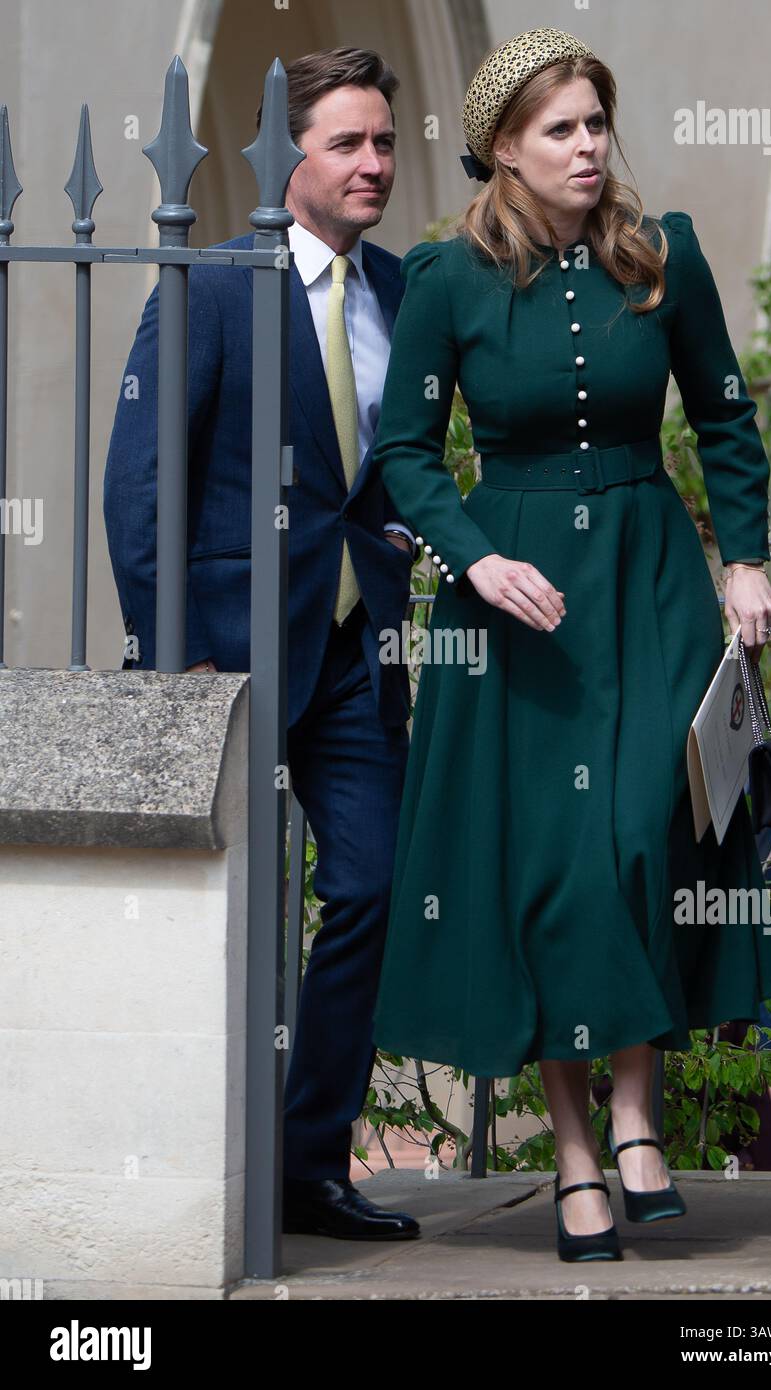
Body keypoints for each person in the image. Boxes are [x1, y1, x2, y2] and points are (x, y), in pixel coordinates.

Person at [369, 26, 771, 1262]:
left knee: (639, 833)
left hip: (649, 579)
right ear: (502, 148)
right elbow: (401, 452)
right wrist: (472, 555)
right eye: (560, 128)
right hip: (514, 602)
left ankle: (636, 1113)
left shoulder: (666, 259)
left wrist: (747, 557)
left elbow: (723, 415)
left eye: (596, 122)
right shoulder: (446, 279)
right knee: (546, 867)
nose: (588, 144)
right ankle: (574, 1160)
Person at [103, 47, 425, 1242]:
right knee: (212, 908)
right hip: (226, 655)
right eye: (347, 143)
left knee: (369, 886)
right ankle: (188, 1160)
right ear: (280, 157)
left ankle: (306, 1165)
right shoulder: (217, 282)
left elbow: (384, 470)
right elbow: (141, 480)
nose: (374, 164)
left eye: (384, 142)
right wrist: (171, 649)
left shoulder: (396, 287)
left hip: (357, 648)